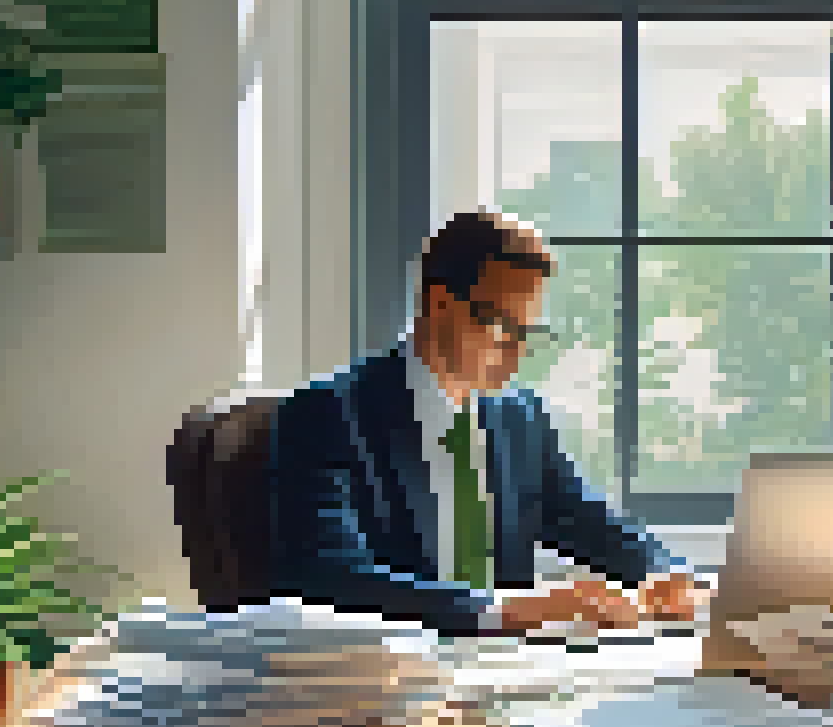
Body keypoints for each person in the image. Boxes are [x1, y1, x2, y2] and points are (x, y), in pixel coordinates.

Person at [265, 209, 710, 636]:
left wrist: (666, 574)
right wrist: (504, 610)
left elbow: (592, 522)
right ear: (439, 303)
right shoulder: (327, 415)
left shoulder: (521, 417)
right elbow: (329, 574)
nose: (516, 354)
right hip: (391, 670)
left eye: (527, 333)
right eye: (501, 327)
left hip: (511, 667)